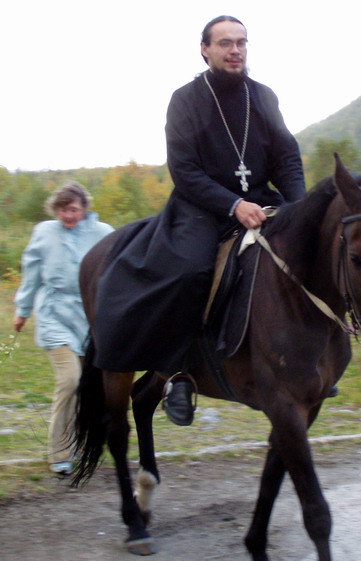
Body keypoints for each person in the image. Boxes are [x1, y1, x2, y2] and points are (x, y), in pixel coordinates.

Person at [92, 15, 307, 425]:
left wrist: (301, 208)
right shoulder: (186, 99)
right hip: (202, 208)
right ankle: (179, 370)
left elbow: (286, 159)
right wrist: (233, 206)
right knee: (190, 270)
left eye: (241, 42)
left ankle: (310, 361)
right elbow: (186, 172)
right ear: (205, 50)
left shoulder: (263, 97)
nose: (235, 50)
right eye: (225, 43)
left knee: (306, 255)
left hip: (261, 201)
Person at [13, 182, 114, 475]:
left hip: (88, 316)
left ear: (84, 208)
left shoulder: (102, 233)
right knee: (70, 379)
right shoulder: (45, 232)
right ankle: (58, 452)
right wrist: (22, 310)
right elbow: (31, 272)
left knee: (91, 385)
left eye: (72, 209)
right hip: (53, 314)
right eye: (61, 210)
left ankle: (92, 442)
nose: (67, 215)